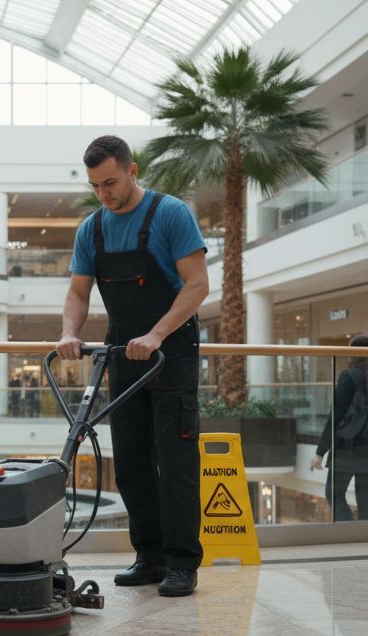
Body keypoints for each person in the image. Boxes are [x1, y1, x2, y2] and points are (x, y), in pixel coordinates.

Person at [55, 135, 210, 598]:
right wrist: (68, 333)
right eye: (96, 186)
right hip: (122, 353)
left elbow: (197, 285)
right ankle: (150, 555)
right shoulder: (93, 229)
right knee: (131, 463)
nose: (104, 193)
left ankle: (183, 562)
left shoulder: (170, 214)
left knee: (176, 460)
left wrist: (158, 333)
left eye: (110, 182)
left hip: (171, 351)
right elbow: (79, 293)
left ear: (133, 170)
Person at [311, 335, 368, 522]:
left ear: (356, 353)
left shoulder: (349, 376)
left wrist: (320, 452)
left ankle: (349, 534)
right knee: (366, 499)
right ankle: (367, 539)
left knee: (334, 493)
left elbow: (335, 416)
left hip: (348, 448)